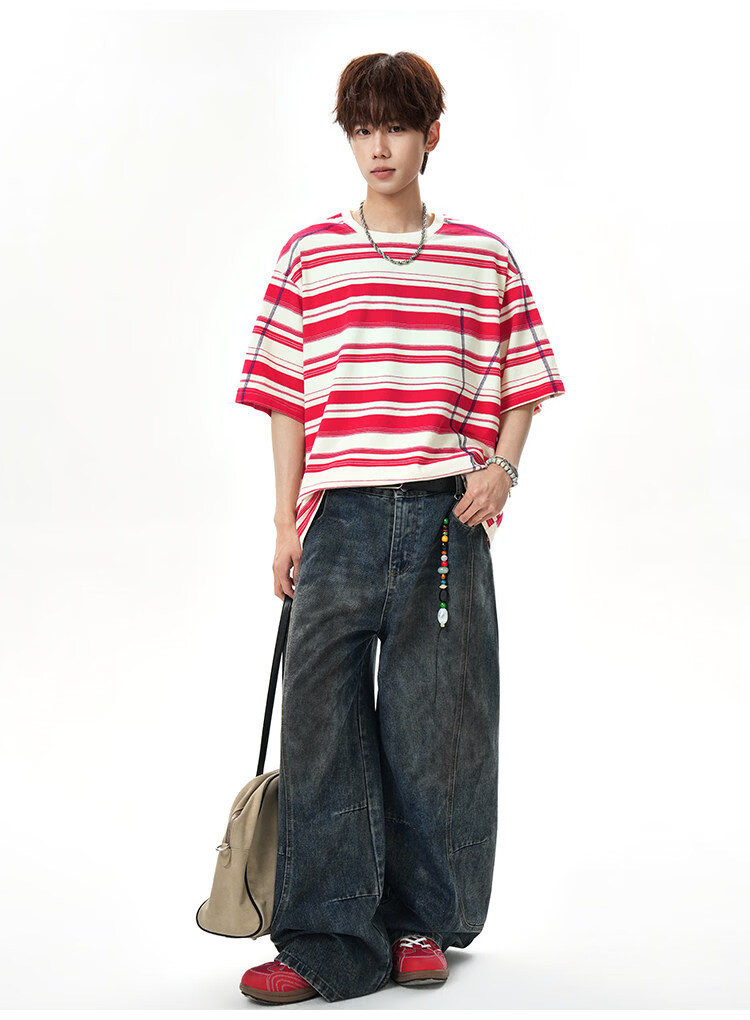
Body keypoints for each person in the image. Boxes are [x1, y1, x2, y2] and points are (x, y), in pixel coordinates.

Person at [233, 51, 566, 1005]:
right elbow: (285, 397)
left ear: (430, 134)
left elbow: (525, 372)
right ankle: (326, 940)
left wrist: (503, 468)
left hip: (442, 522)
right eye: (363, 128)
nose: (379, 146)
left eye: (397, 126)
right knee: (322, 729)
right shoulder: (311, 254)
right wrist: (285, 522)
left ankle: (421, 923)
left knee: (437, 729)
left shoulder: (482, 255)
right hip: (336, 518)